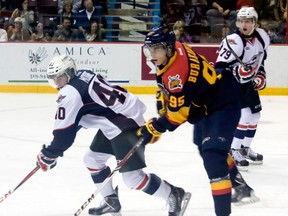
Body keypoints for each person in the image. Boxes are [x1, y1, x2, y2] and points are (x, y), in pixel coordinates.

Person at [36, 54, 191, 216]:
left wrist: (50, 154)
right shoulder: (82, 74)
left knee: (133, 179)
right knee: (92, 159)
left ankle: (173, 194)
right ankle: (111, 201)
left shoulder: (69, 93)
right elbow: (79, 118)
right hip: (116, 121)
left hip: (125, 126)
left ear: (69, 73)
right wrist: (54, 150)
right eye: (53, 79)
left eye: (59, 78)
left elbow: (64, 136)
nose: (56, 84)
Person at [139, 24, 260, 216]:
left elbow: (178, 115)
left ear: (168, 48)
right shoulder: (176, 48)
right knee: (203, 146)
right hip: (208, 99)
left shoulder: (175, 74)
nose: (151, 54)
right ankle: (241, 187)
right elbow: (174, 91)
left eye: (156, 49)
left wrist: (155, 127)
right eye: (149, 49)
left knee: (213, 156)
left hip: (222, 103)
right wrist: (165, 99)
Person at [214, 7, 270, 171]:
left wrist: (260, 75)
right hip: (232, 84)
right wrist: (236, 71)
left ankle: (245, 148)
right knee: (244, 116)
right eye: (241, 21)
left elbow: (260, 61)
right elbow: (219, 68)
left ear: (254, 22)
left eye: (247, 21)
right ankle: (233, 149)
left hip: (249, 84)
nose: (243, 24)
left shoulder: (261, 37)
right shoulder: (233, 41)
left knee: (255, 116)